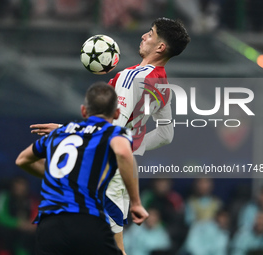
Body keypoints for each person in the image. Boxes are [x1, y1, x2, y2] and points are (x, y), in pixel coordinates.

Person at [30, 17, 190, 254]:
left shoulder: (132, 76)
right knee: (109, 245)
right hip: (121, 168)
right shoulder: (164, 85)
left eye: (151, 33)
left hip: (104, 169)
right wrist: (133, 147)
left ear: (160, 47)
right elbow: (166, 135)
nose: (144, 35)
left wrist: (66, 131)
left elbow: (112, 125)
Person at [16, 82, 149, 255]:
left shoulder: (58, 133)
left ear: (84, 111)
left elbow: (22, 160)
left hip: (49, 225)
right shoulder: (113, 132)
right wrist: (136, 203)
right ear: (116, 113)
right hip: (85, 219)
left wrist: (59, 177)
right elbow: (124, 153)